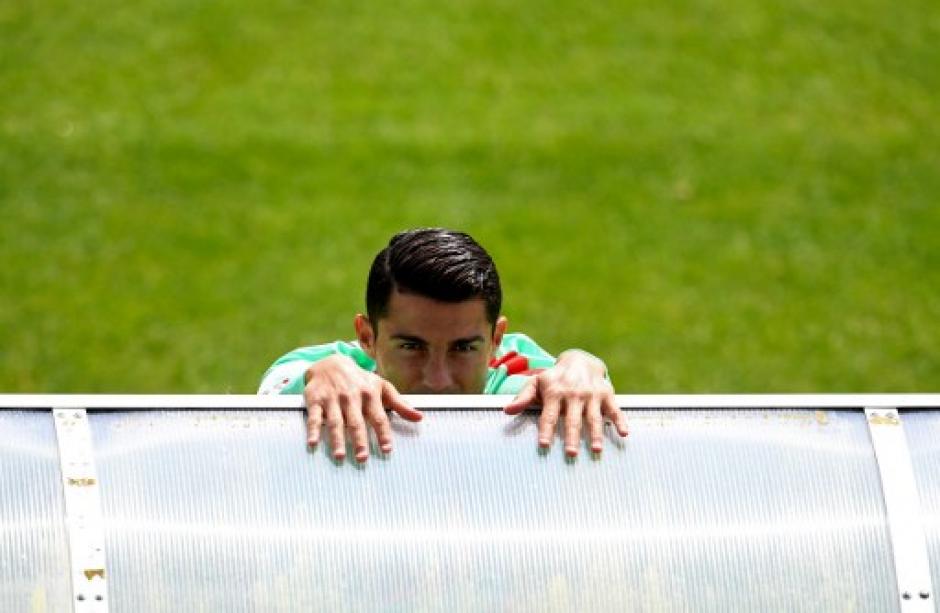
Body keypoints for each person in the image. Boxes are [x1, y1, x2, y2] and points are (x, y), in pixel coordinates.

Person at [259, 228, 628, 463]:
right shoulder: (343, 369)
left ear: (496, 340)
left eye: (463, 349)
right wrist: (322, 374)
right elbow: (277, 384)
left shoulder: (518, 387)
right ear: (367, 338)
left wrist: (583, 365)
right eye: (411, 347)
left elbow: (573, 384)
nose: (437, 380)